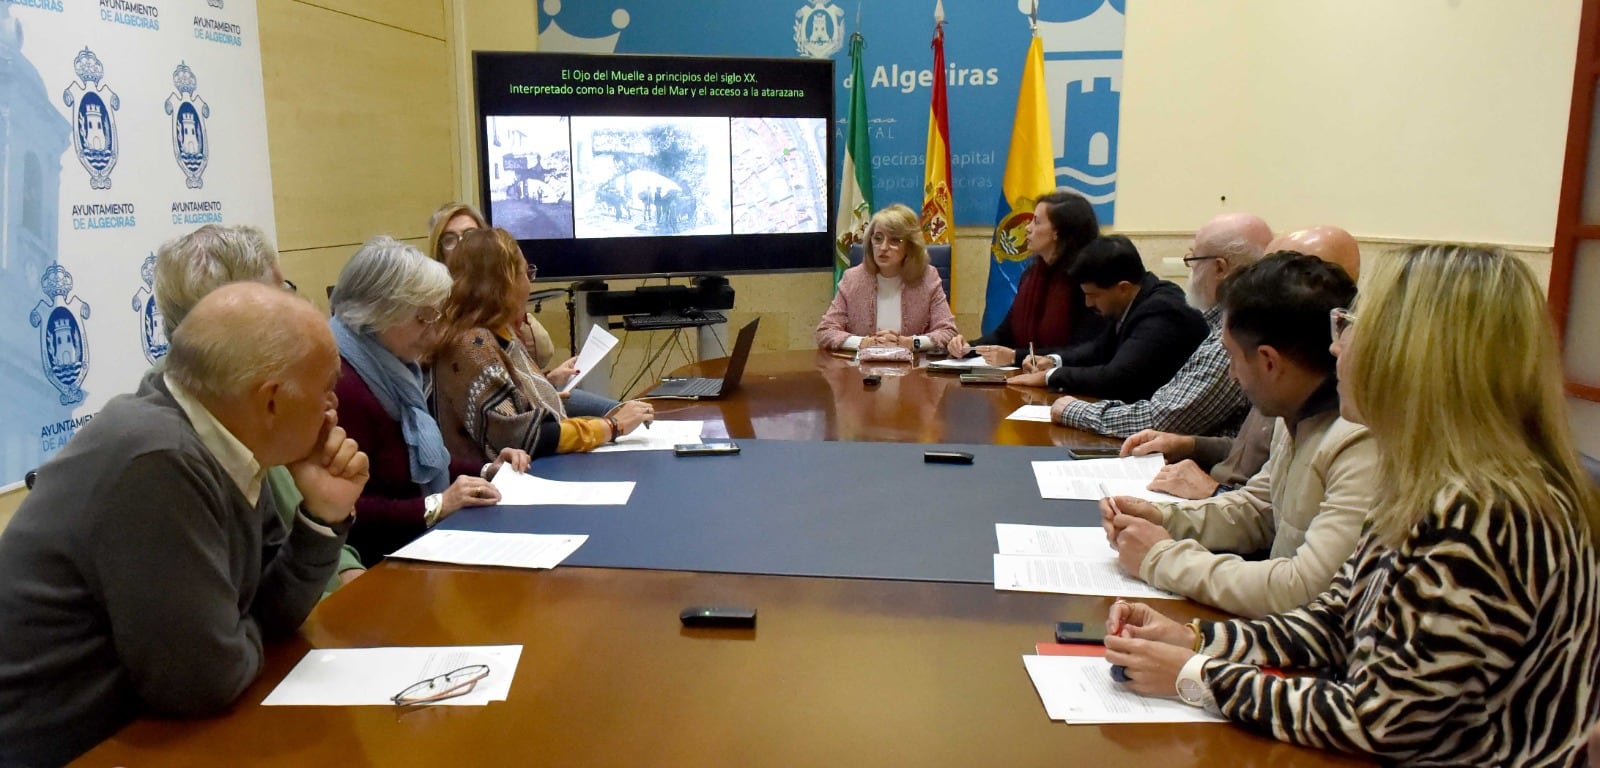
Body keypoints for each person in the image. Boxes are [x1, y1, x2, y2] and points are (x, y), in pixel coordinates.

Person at [1104, 244, 1600, 765]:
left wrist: (1197, 676)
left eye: (1350, 327)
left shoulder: (1482, 512)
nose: (1335, 349)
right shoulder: (1424, 477)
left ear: (1415, 357)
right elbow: (1337, 618)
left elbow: (1385, 721)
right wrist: (1197, 638)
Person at [0, 283, 369, 766]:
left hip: (142, 731)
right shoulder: (158, 461)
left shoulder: (220, 438)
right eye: (326, 390)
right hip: (67, 749)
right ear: (271, 401)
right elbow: (202, 682)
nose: (332, 410)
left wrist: (321, 516)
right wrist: (233, 636)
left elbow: (270, 615)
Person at [1100, 253, 1372, 617]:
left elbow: (1306, 589)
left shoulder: (1360, 441)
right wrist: (1163, 518)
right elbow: (1260, 509)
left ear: (1269, 362)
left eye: (1231, 357)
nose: (1231, 375)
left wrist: (1160, 557)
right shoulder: (1295, 409)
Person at [154, 223, 365, 591]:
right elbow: (230, 633)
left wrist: (328, 530)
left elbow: (268, 603)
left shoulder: (236, 406)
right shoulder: (166, 455)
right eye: (283, 294)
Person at [330, 237, 533, 566]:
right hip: (376, 564)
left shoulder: (392, 366)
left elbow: (421, 462)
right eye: (423, 319)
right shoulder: (343, 385)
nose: (436, 332)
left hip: (415, 547)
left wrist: (486, 470)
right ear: (377, 313)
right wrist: (437, 505)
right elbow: (344, 508)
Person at [1123, 225, 1362, 499]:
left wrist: (1213, 494)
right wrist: (1190, 444)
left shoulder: (1338, 419)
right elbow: (1252, 459)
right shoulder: (1289, 391)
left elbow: (1267, 520)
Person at [432, 228, 653, 465]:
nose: (529, 284)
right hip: (498, 486)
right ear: (505, 284)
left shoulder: (496, 332)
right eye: (525, 273)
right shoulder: (472, 346)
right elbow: (523, 436)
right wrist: (612, 426)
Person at [1049, 213, 1267, 438]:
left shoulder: (1233, 336)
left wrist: (1074, 410)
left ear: (1220, 269)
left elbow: (1163, 419)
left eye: (1192, 260)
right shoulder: (1222, 323)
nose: (1189, 270)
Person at [1009, 235, 1207, 400]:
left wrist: (1050, 377)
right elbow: (1098, 349)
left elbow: (1118, 379)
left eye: (1093, 295)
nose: (1088, 304)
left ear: (1123, 288)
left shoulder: (1163, 311)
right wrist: (1053, 361)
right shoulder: (1133, 300)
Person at [946, 189, 1106, 366]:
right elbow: (1004, 335)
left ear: (1058, 232)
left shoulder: (1087, 282)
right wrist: (968, 348)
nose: (1028, 228)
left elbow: (1084, 350)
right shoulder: (1031, 275)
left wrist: (1016, 356)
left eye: (1036, 222)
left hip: (1069, 384)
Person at [428, 202, 556, 368]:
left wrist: (549, 381)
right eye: (450, 239)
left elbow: (538, 359)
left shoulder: (501, 293)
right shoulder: (433, 307)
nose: (462, 244)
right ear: (439, 251)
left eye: (470, 235)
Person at [815, 203, 958, 352]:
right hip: (862, 371)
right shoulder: (853, 279)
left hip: (913, 371)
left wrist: (911, 343)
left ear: (910, 246)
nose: (883, 247)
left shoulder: (927, 278)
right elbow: (825, 331)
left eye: (894, 240)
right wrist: (865, 343)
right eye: (878, 238)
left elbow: (948, 331)